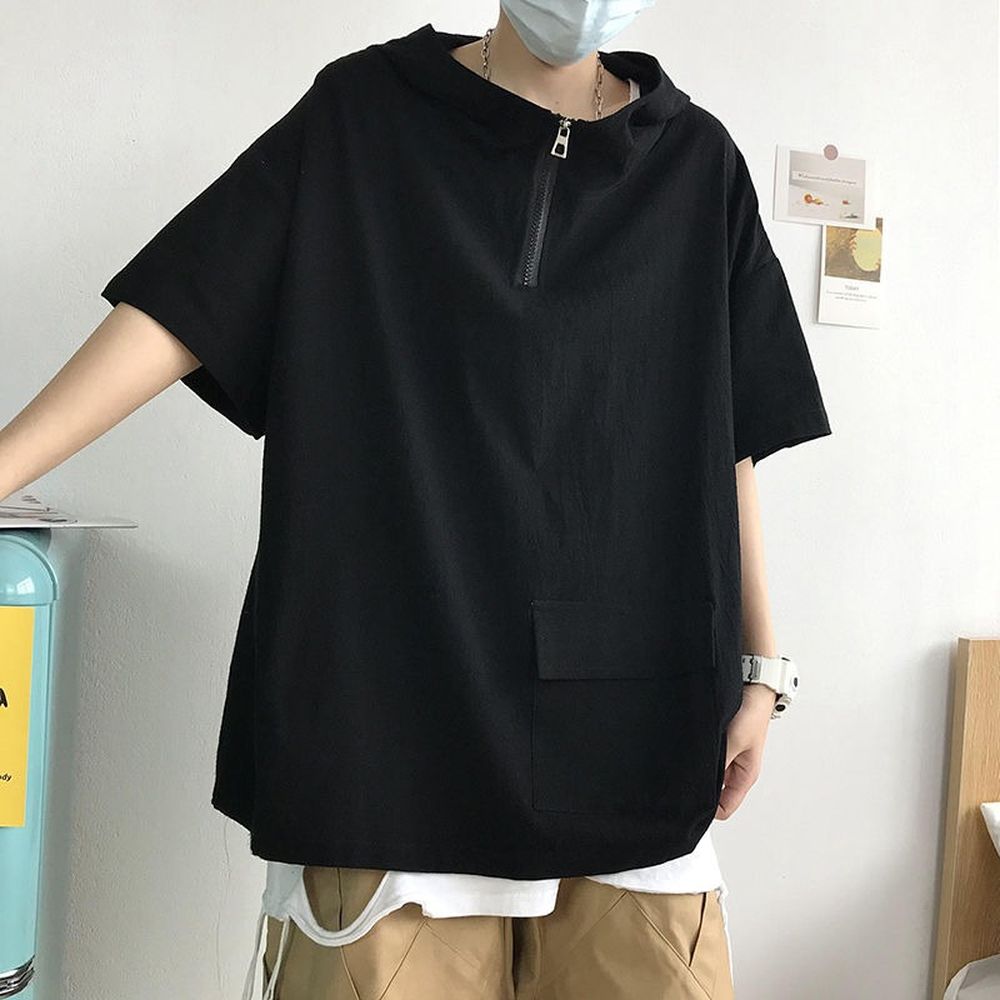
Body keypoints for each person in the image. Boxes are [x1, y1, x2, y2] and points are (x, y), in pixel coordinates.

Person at [1, 3, 832, 998]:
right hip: (390, 719)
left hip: (639, 719)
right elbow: (187, 304)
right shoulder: (364, 114)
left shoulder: (696, 164)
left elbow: (730, 435)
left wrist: (761, 667)